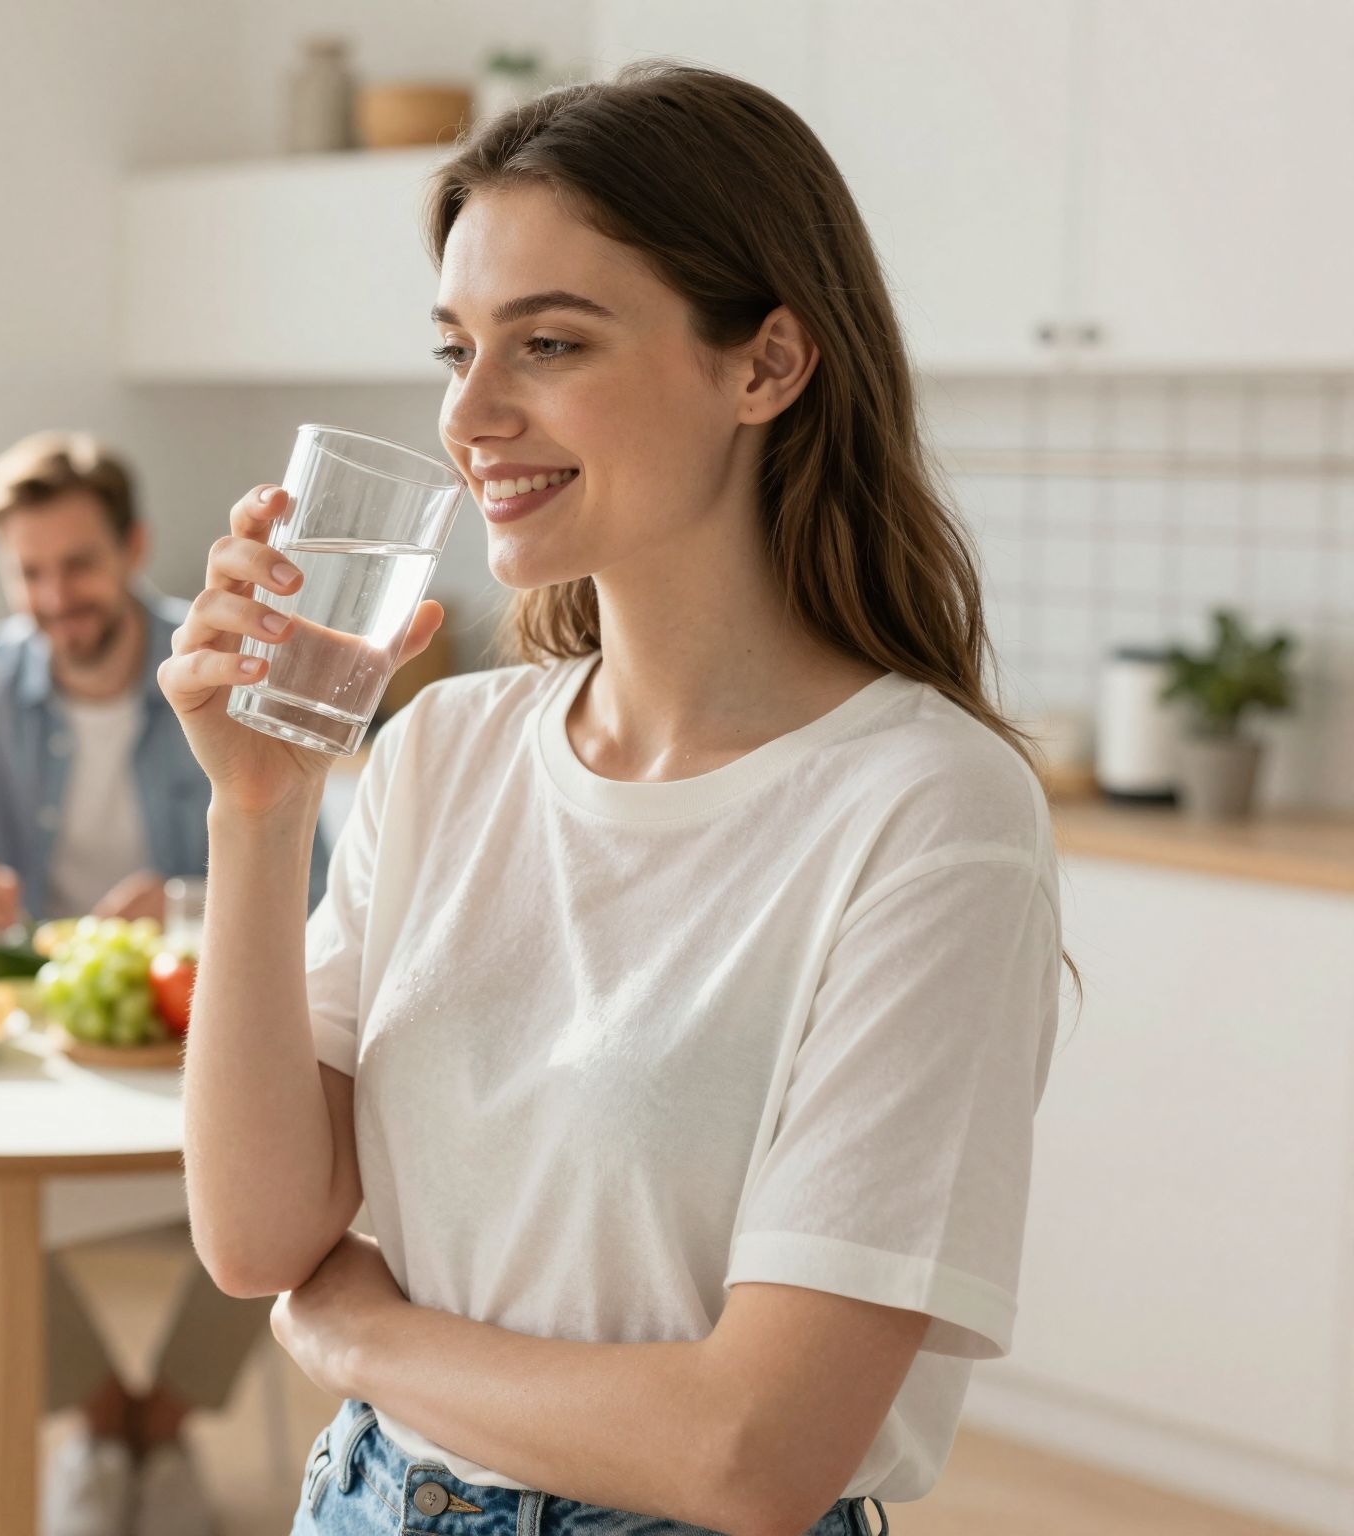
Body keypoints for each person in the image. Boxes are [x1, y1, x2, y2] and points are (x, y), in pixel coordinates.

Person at [167, 63, 1063, 1536]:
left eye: (552, 343)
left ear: (766, 366)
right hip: (364, 1502)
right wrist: (258, 816)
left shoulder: (928, 812)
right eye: (457, 348)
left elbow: (751, 1456)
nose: (473, 414)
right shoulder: (441, 747)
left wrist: (361, 1337)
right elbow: (261, 1236)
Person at [0, 433, 325, 1535]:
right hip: (31, 1046)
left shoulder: (226, 659)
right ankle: (96, 1421)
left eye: (74, 566)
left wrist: (179, 906)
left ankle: (158, 1423)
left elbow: (315, 879)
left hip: (194, 1030)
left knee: (307, 1182)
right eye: (27, 573)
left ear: (131, 547)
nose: (52, 598)